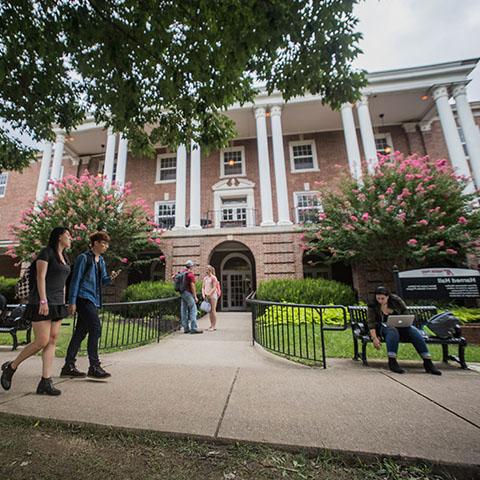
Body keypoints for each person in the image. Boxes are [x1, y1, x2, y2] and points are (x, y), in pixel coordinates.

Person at [1, 227, 72, 395]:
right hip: (41, 302)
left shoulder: (65, 257)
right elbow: (40, 277)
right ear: (59, 237)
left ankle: (45, 382)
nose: (70, 238)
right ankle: (11, 367)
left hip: (57, 304)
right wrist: (43, 300)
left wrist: (63, 303)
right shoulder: (46, 253)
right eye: (68, 235)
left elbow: (62, 283)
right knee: (42, 340)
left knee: (52, 340)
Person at [60, 231, 119, 379]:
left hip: (93, 298)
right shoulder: (83, 258)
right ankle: (94, 366)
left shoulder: (102, 261)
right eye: (104, 243)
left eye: (107, 244)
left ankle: (68, 365)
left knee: (80, 332)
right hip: (83, 297)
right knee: (96, 328)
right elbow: (76, 279)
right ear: (96, 243)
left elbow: (103, 281)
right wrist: (72, 301)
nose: (106, 246)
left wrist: (110, 278)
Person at [367, 286, 441, 375]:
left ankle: (427, 361)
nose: (380, 301)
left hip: (401, 326)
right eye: (378, 298)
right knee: (392, 331)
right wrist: (374, 338)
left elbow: (405, 313)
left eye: (382, 298)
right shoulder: (372, 305)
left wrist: (402, 320)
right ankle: (392, 361)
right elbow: (371, 323)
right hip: (383, 328)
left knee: (413, 331)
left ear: (388, 296)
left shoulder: (396, 301)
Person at [179, 260, 202, 334]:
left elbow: (174, 277)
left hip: (182, 293)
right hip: (188, 293)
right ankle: (194, 328)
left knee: (184, 310)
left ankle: (186, 328)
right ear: (191, 266)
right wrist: (195, 297)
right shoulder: (190, 275)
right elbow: (193, 286)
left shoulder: (182, 272)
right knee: (193, 309)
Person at [202, 265, 220, 331]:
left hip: (213, 296)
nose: (205, 269)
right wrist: (203, 294)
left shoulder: (213, 278)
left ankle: (214, 326)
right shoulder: (205, 278)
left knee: (213, 310)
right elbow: (203, 287)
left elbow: (214, 287)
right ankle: (211, 325)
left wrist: (209, 294)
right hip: (207, 295)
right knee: (209, 311)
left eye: (206, 268)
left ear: (210, 270)